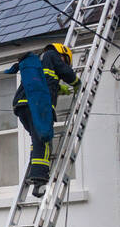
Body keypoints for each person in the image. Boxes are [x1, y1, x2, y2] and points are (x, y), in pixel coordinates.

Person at [7, 42, 81, 197]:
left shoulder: (39, 61)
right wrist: (76, 82)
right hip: (37, 106)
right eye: (65, 60)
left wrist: (60, 88)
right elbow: (64, 71)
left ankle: (34, 173)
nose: (63, 63)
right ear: (62, 54)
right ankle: (40, 180)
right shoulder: (52, 55)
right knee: (44, 140)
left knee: (36, 139)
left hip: (22, 106)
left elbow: (46, 80)